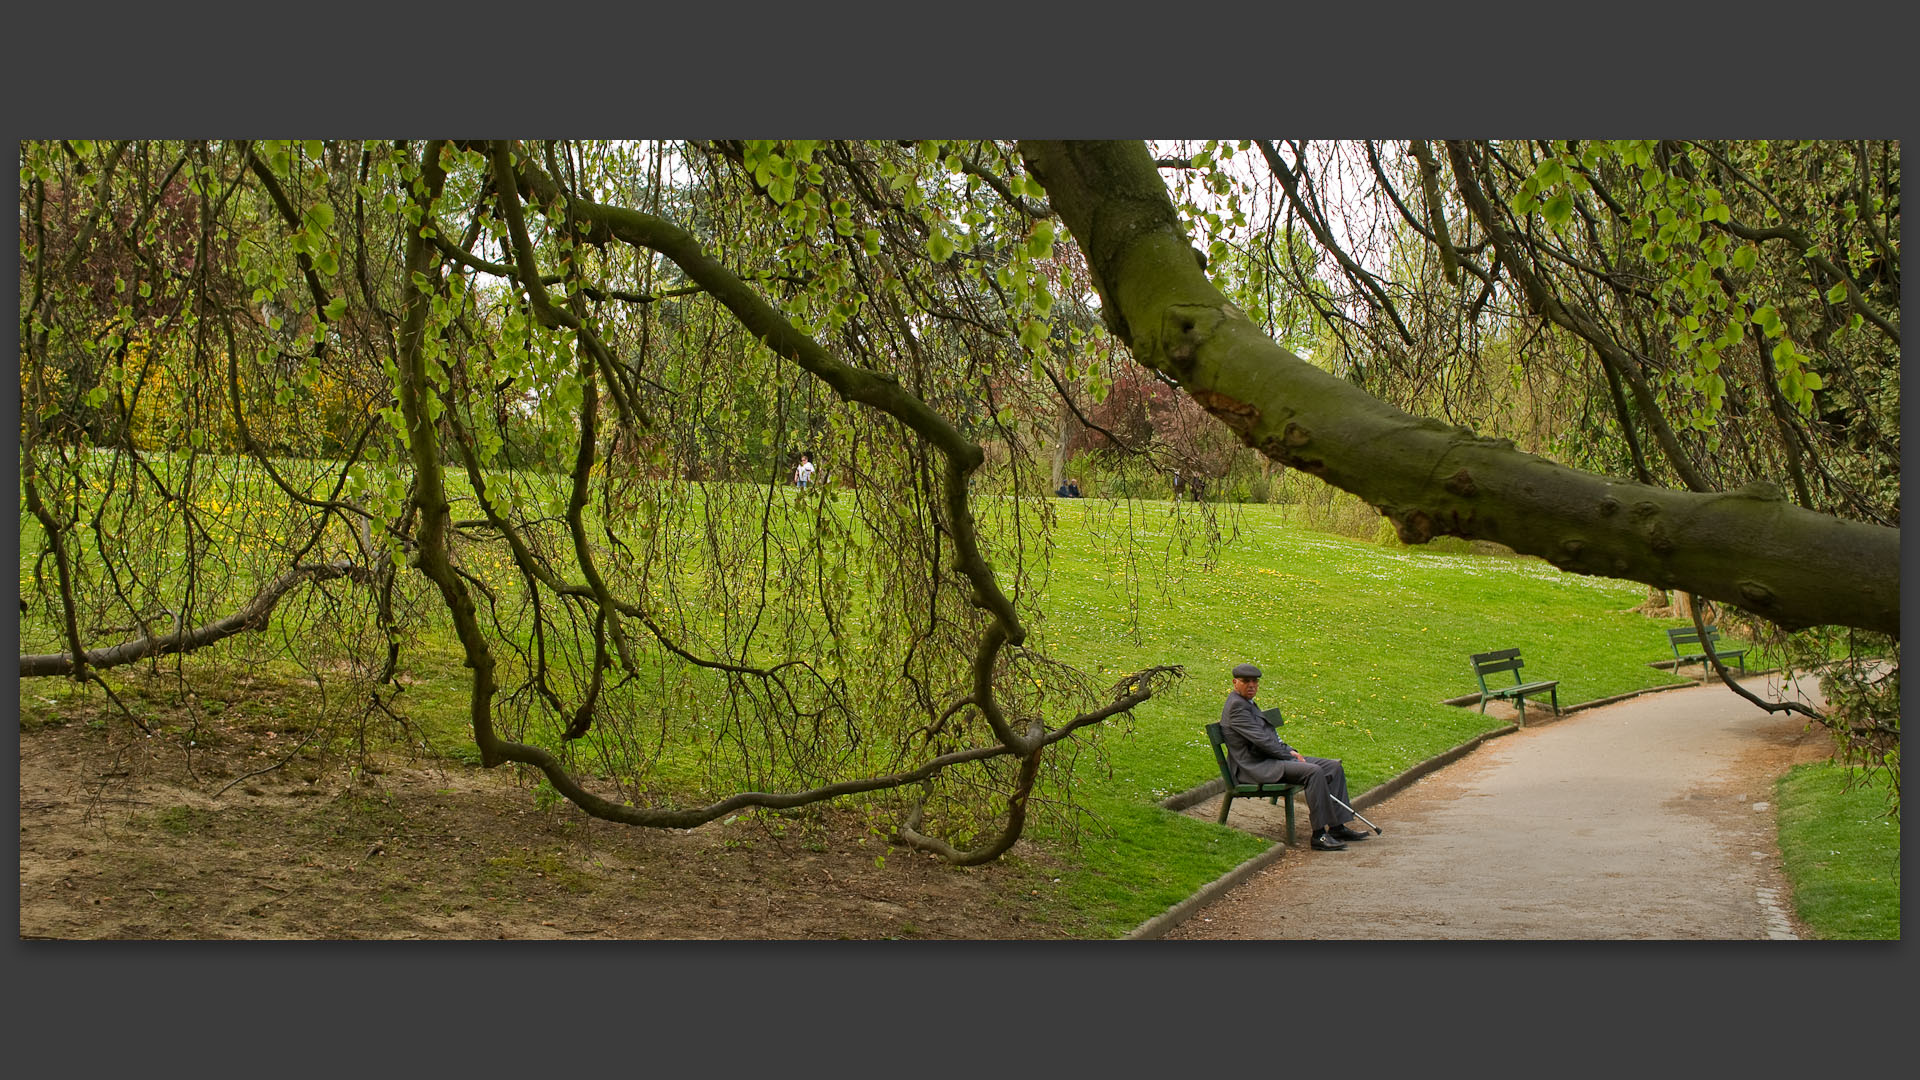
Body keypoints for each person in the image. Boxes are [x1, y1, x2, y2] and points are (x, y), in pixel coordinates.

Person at [1218, 662, 1371, 851]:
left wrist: (1289, 750)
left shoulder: (1245, 703)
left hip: (1271, 759)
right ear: (1235, 682)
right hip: (1255, 767)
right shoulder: (1236, 707)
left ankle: (1337, 827)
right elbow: (1262, 742)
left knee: (1332, 766)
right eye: (1246, 681)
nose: (1252, 685)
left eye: (1255, 681)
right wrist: (1288, 756)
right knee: (1313, 772)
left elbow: (1269, 737)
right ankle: (1319, 835)